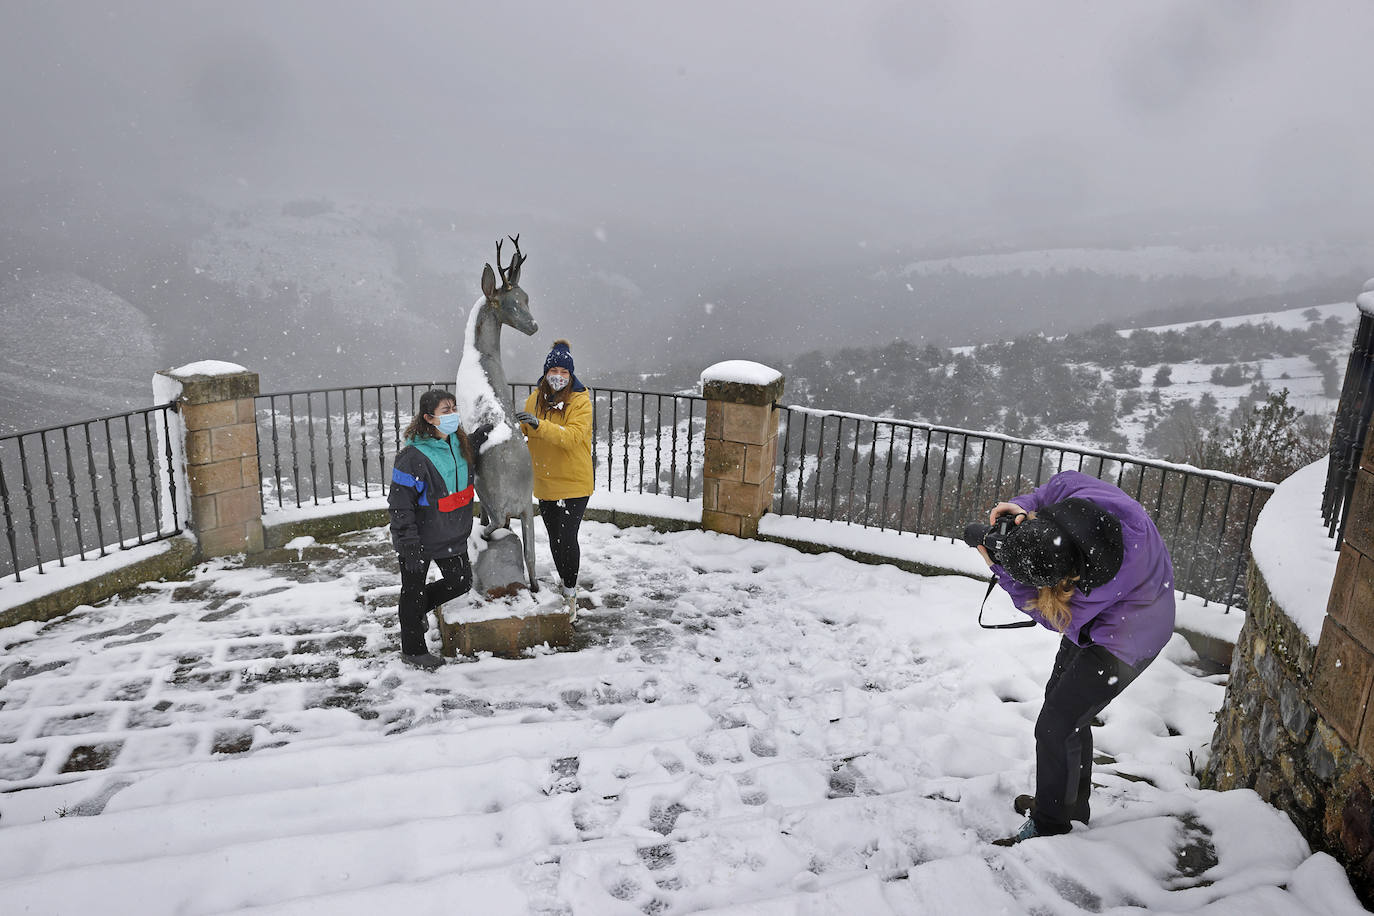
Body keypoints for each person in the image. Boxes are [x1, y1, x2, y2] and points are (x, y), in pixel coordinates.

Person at [973, 469, 1175, 846]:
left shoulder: (1106, 578)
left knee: (1055, 724)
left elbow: (1055, 615)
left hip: (1127, 639)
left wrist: (1000, 567)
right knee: (1063, 710)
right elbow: (1053, 487)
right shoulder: (1086, 497)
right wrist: (1022, 507)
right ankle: (1070, 805)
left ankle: (1051, 825)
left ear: (1069, 575)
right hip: (1104, 621)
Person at [388, 389, 491, 670]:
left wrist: (478, 439)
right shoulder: (412, 456)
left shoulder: (460, 443)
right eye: (446, 411)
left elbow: (461, 466)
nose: (453, 414)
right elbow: (400, 505)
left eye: (454, 408)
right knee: (413, 589)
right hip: (418, 539)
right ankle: (413, 650)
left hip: (452, 535)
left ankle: (417, 610)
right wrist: (408, 543)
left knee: (461, 581)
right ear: (428, 418)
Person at [514, 338, 593, 619]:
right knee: (555, 539)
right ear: (546, 373)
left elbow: (571, 438)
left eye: (564, 372)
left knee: (567, 538)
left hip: (574, 483)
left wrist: (539, 425)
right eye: (554, 371)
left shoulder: (580, 402)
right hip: (545, 482)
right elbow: (524, 427)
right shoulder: (535, 398)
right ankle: (564, 579)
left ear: (571, 376)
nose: (558, 376)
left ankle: (570, 593)